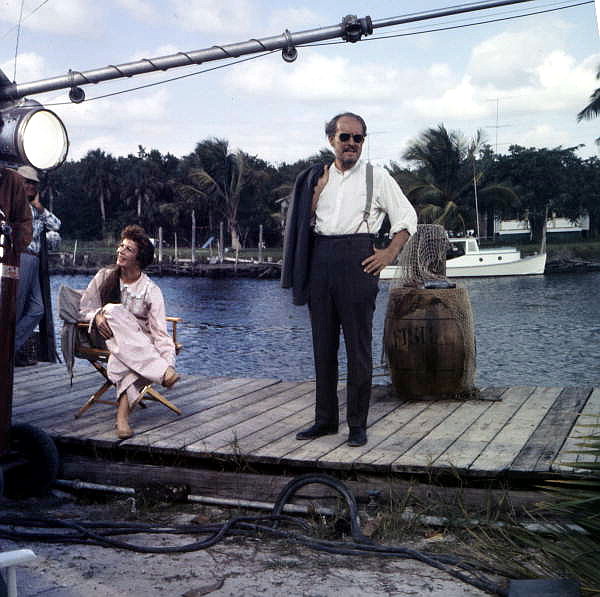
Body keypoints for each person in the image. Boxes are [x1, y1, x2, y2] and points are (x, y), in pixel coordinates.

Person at [282, 112, 417, 447]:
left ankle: (357, 423)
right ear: (331, 140)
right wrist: (316, 192)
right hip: (320, 259)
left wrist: (388, 254)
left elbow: (407, 218)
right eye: (346, 137)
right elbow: (303, 221)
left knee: (358, 348)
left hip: (359, 259)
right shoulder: (317, 176)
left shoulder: (377, 177)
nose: (352, 144)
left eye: (359, 138)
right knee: (322, 347)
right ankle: (325, 421)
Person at [79, 225, 179, 439]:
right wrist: (97, 315)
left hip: (133, 347)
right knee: (112, 310)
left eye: (128, 249)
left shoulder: (151, 290)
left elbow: (160, 333)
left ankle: (122, 418)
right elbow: (84, 310)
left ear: (139, 258)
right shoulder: (104, 276)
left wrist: (169, 359)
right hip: (105, 336)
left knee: (124, 357)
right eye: (121, 246)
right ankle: (161, 372)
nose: (120, 251)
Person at [14, 165, 61, 363]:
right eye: (28, 182)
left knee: (37, 309)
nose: (31, 186)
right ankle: (8, 351)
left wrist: (40, 207)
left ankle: (10, 347)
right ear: (19, 183)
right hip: (21, 257)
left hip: (33, 260)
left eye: (34, 183)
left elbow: (57, 225)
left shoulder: (37, 209)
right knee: (15, 308)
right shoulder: (14, 205)